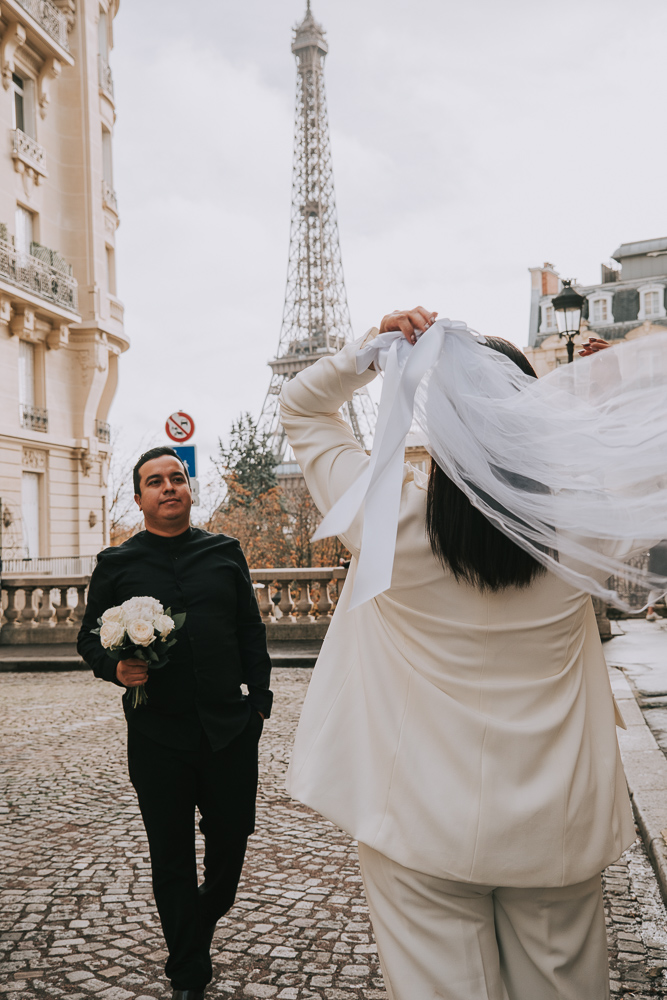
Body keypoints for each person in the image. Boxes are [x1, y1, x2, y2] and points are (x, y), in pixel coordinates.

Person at [279, 308, 639, 1000]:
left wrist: (374, 352)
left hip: (417, 817)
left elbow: (302, 409)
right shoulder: (582, 536)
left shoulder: (384, 523)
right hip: (555, 822)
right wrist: (604, 392)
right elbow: (634, 472)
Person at [78, 446, 272, 1000]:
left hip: (230, 730)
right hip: (158, 735)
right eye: (155, 481)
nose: (168, 487)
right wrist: (115, 666)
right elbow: (89, 637)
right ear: (139, 498)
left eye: (177, 477)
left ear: (189, 489)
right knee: (171, 858)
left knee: (232, 842)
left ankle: (199, 919)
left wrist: (259, 703)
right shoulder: (116, 564)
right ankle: (188, 974)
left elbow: (249, 629)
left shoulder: (225, 552)